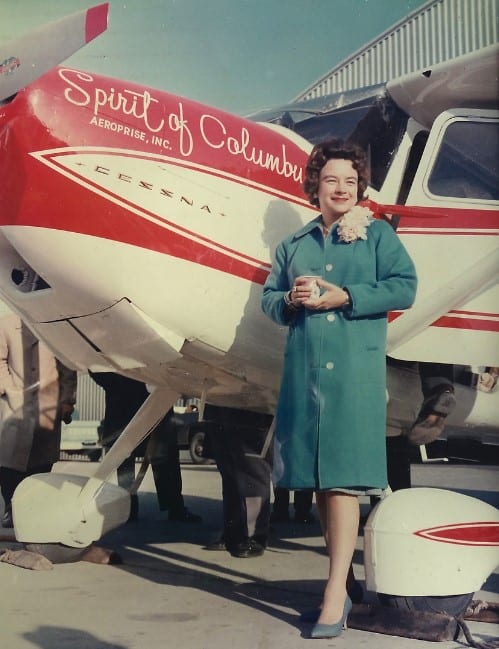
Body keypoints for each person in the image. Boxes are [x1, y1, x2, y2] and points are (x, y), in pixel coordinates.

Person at [261, 139, 417, 638]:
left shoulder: (376, 237)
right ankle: (342, 584)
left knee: (344, 479)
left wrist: (346, 296)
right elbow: (267, 300)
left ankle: (333, 593)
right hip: (306, 376)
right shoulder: (294, 245)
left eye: (351, 180)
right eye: (332, 179)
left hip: (354, 374)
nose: (343, 188)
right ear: (315, 186)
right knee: (321, 481)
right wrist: (289, 297)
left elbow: (405, 286)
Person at [89, 372, 201, 522]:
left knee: (165, 456)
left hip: (153, 401)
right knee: (125, 462)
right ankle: (129, 508)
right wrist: (115, 384)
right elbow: (95, 368)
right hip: (123, 403)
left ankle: (174, 507)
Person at [0, 313, 77, 528]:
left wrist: (67, 398)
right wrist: (8, 388)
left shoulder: (56, 326)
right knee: (8, 459)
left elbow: (67, 365)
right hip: (14, 403)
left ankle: (34, 507)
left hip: (48, 402)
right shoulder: (5, 324)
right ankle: (11, 507)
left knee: (42, 458)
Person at [203, 405, 273, 558]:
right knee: (229, 471)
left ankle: (255, 536)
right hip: (219, 404)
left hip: (251, 404)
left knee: (253, 472)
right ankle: (233, 533)